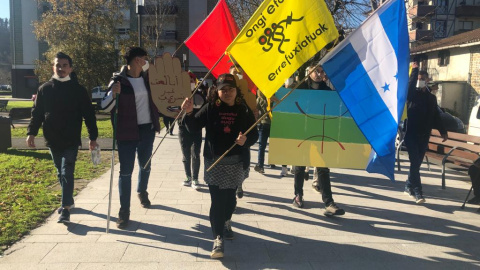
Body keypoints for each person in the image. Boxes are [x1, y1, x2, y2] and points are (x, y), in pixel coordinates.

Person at [181, 73, 258, 259]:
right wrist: (189, 112)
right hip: (214, 162)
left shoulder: (243, 109)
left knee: (230, 200)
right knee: (217, 201)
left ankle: (226, 220)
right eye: (223, 89)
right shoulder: (210, 108)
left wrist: (246, 140)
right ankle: (217, 238)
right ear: (218, 91)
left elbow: (254, 133)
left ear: (236, 91)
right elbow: (193, 127)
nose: (227, 93)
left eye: (231, 89)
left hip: (236, 162)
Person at [27, 52, 99, 224]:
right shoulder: (44, 89)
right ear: (54, 67)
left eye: (65, 65)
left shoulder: (78, 90)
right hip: (52, 139)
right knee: (60, 172)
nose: (61, 68)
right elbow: (37, 113)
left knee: (67, 171)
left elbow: (89, 115)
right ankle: (69, 201)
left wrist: (93, 137)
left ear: (70, 68)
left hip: (71, 140)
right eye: (58, 65)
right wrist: (31, 132)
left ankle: (65, 208)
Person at [101, 47, 160, 229]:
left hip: (146, 130)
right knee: (125, 172)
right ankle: (124, 212)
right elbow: (104, 106)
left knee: (146, 164)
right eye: (145, 58)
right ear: (137, 60)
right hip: (126, 132)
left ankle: (142, 191)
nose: (146, 62)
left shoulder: (148, 79)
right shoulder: (118, 81)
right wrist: (113, 93)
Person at [292, 64, 345, 217]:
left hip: (321, 133)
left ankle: (329, 203)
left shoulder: (327, 91)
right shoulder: (301, 88)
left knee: (323, 167)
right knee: (300, 165)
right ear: (308, 72)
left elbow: (337, 104)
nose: (319, 74)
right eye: (316, 71)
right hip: (303, 132)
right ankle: (298, 195)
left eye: (321, 72)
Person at [404, 62, 448, 204]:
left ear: (427, 80)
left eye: (422, 79)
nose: (420, 81)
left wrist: (443, 131)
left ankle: (408, 186)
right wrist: (414, 71)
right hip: (410, 134)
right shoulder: (411, 95)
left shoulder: (431, 98)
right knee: (414, 162)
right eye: (418, 79)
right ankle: (418, 192)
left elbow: (436, 116)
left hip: (423, 136)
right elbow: (410, 87)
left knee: (416, 164)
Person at [179, 72, 206, 190]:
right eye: (186, 79)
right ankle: (188, 176)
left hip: (196, 128)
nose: (189, 81)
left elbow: (204, 110)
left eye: (191, 79)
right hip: (183, 129)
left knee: (196, 153)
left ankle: (195, 178)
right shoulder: (177, 94)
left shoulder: (199, 95)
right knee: (185, 154)